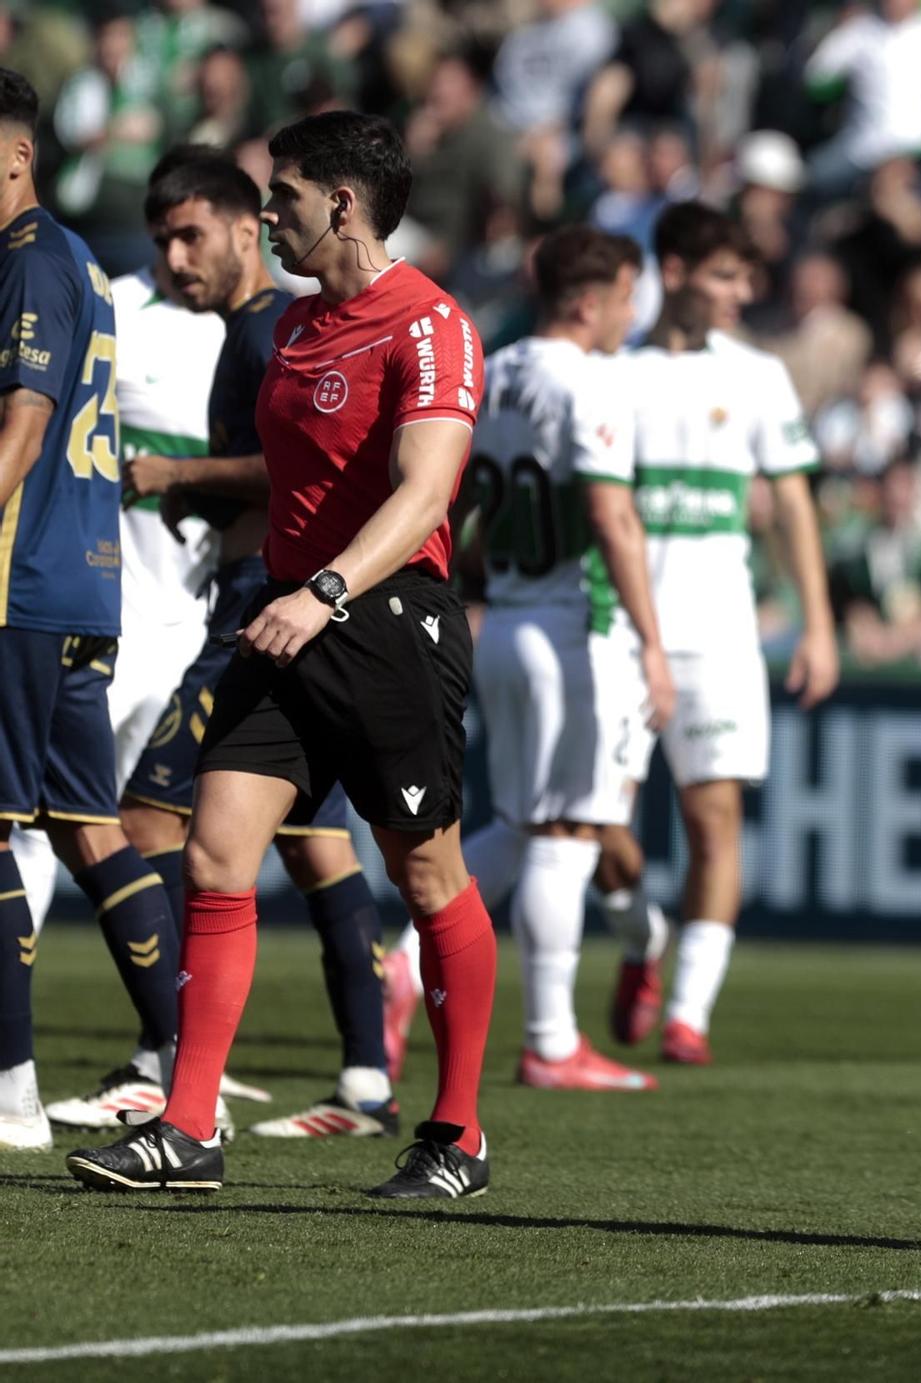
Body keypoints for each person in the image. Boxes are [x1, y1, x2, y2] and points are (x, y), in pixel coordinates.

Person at [66, 110, 495, 1196]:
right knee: (215, 852)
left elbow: (426, 492)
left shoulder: (430, 322)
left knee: (426, 868)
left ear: (343, 203)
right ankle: (190, 1126)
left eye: (285, 196)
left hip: (387, 620)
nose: (268, 215)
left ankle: (456, 1134)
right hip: (281, 620)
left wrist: (331, 590)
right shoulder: (300, 327)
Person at [101, 147, 401, 1141]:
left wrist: (178, 479)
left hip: (261, 610)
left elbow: (297, 475)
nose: (176, 259)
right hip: (278, 604)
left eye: (193, 235)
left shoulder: (274, 330)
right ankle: (364, 1080)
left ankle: (172, 1066)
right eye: (160, 242)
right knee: (314, 844)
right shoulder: (253, 331)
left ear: (245, 229)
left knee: (145, 825)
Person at [597, 202, 838, 1066]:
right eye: (726, 276)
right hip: (618, 631)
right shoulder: (611, 371)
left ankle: (689, 1012)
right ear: (674, 268)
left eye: (747, 276)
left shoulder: (756, 375)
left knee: (716, 821)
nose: (743, 293)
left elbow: (796, 506)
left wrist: (817, 622)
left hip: (721, 634)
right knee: (597, 828)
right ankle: (639, 938)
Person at [0, 67, 185, 1153]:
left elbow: (23, 427)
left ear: (18, 156)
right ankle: (178, 1066)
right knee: (87, 827)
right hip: (84, 579)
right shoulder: (78, 264)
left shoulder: (28, 265)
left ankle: (12, 1091)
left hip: (17, 583)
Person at [457, 224, 674, 1091]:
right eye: (626, 296)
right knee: (567, 832)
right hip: (570, 627)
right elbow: (614, 519)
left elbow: (465, 502)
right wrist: (654, 646)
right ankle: (550, 1040)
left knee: (517, 823)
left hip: (503, 619)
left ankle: (401, 965)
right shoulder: (588, 381)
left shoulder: (497, 368)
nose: (632, 314)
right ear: (589, 301)